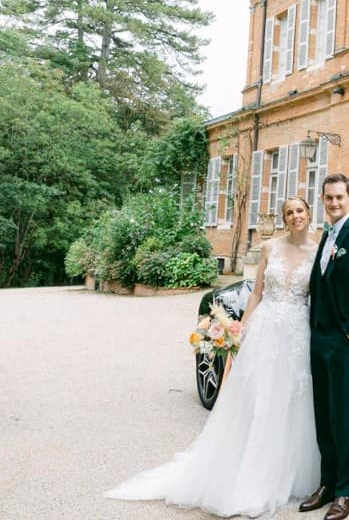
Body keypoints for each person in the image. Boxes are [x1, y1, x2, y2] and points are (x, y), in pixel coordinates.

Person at [105, 196, 321, 518]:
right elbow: (257, 293)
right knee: (258, 400)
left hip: (297, 335)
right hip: (266, 331)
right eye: (289, 212)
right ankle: (249, 475)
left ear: (308, 213)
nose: (295, 216)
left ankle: (284, 472)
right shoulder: (269, 248)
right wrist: (241, 328)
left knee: (290, 402)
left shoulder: (318, 252)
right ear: (284, 218)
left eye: (299, 210)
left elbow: (319, 297)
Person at [299, 173, 349, 520]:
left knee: (344, 416)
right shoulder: (327, 235)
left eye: (339, 197)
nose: (334, 203)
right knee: (323, 413)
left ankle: (346, 492)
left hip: (344, 341)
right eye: (329, 198)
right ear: (322, 199)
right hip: (319, 338)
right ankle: (328, 483)